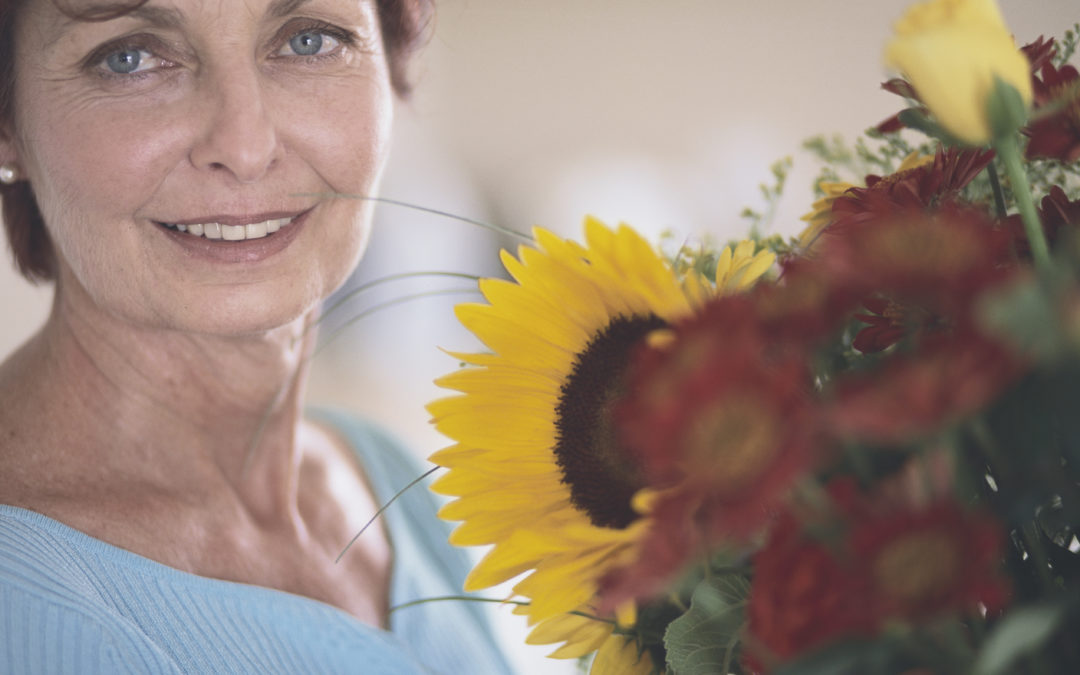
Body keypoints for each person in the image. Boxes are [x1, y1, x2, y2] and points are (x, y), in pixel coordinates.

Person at [0, 0, 511, 672]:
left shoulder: (389, 479)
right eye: (130, 57)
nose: (244, 148)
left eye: (308, 40)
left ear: (393, 67)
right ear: (9, 125)